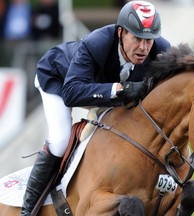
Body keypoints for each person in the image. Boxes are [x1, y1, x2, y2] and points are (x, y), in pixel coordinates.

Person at [21, 1, 171, 215]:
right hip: (58, 80)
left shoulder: (161, 49)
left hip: (100, 90)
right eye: (137, 38)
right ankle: (28, 210)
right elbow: (71, 93)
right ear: (121, 32)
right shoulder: (96, 43)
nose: (143, 48)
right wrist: (119, 89)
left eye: (149, 40)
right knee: (60, 140)